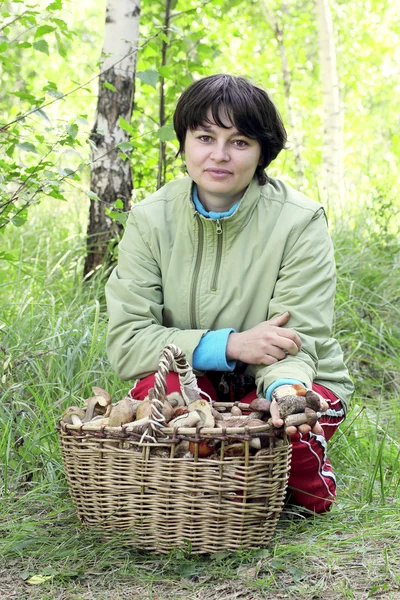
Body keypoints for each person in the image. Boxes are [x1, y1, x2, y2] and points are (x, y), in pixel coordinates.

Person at [105, 74, 354, 514]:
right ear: (184, 142)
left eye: (239, 142)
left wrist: (284, 393)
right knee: (168, 417)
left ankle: (307, 483)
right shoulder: (149, 219)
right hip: (190, 379)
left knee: (279, 433)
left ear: (263, 153)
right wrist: (231, 344)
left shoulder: (299, 221)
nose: (219, 155)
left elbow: (298, 336)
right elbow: (128, 343)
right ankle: (216, 491)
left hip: (293, 374)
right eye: (205, 137)